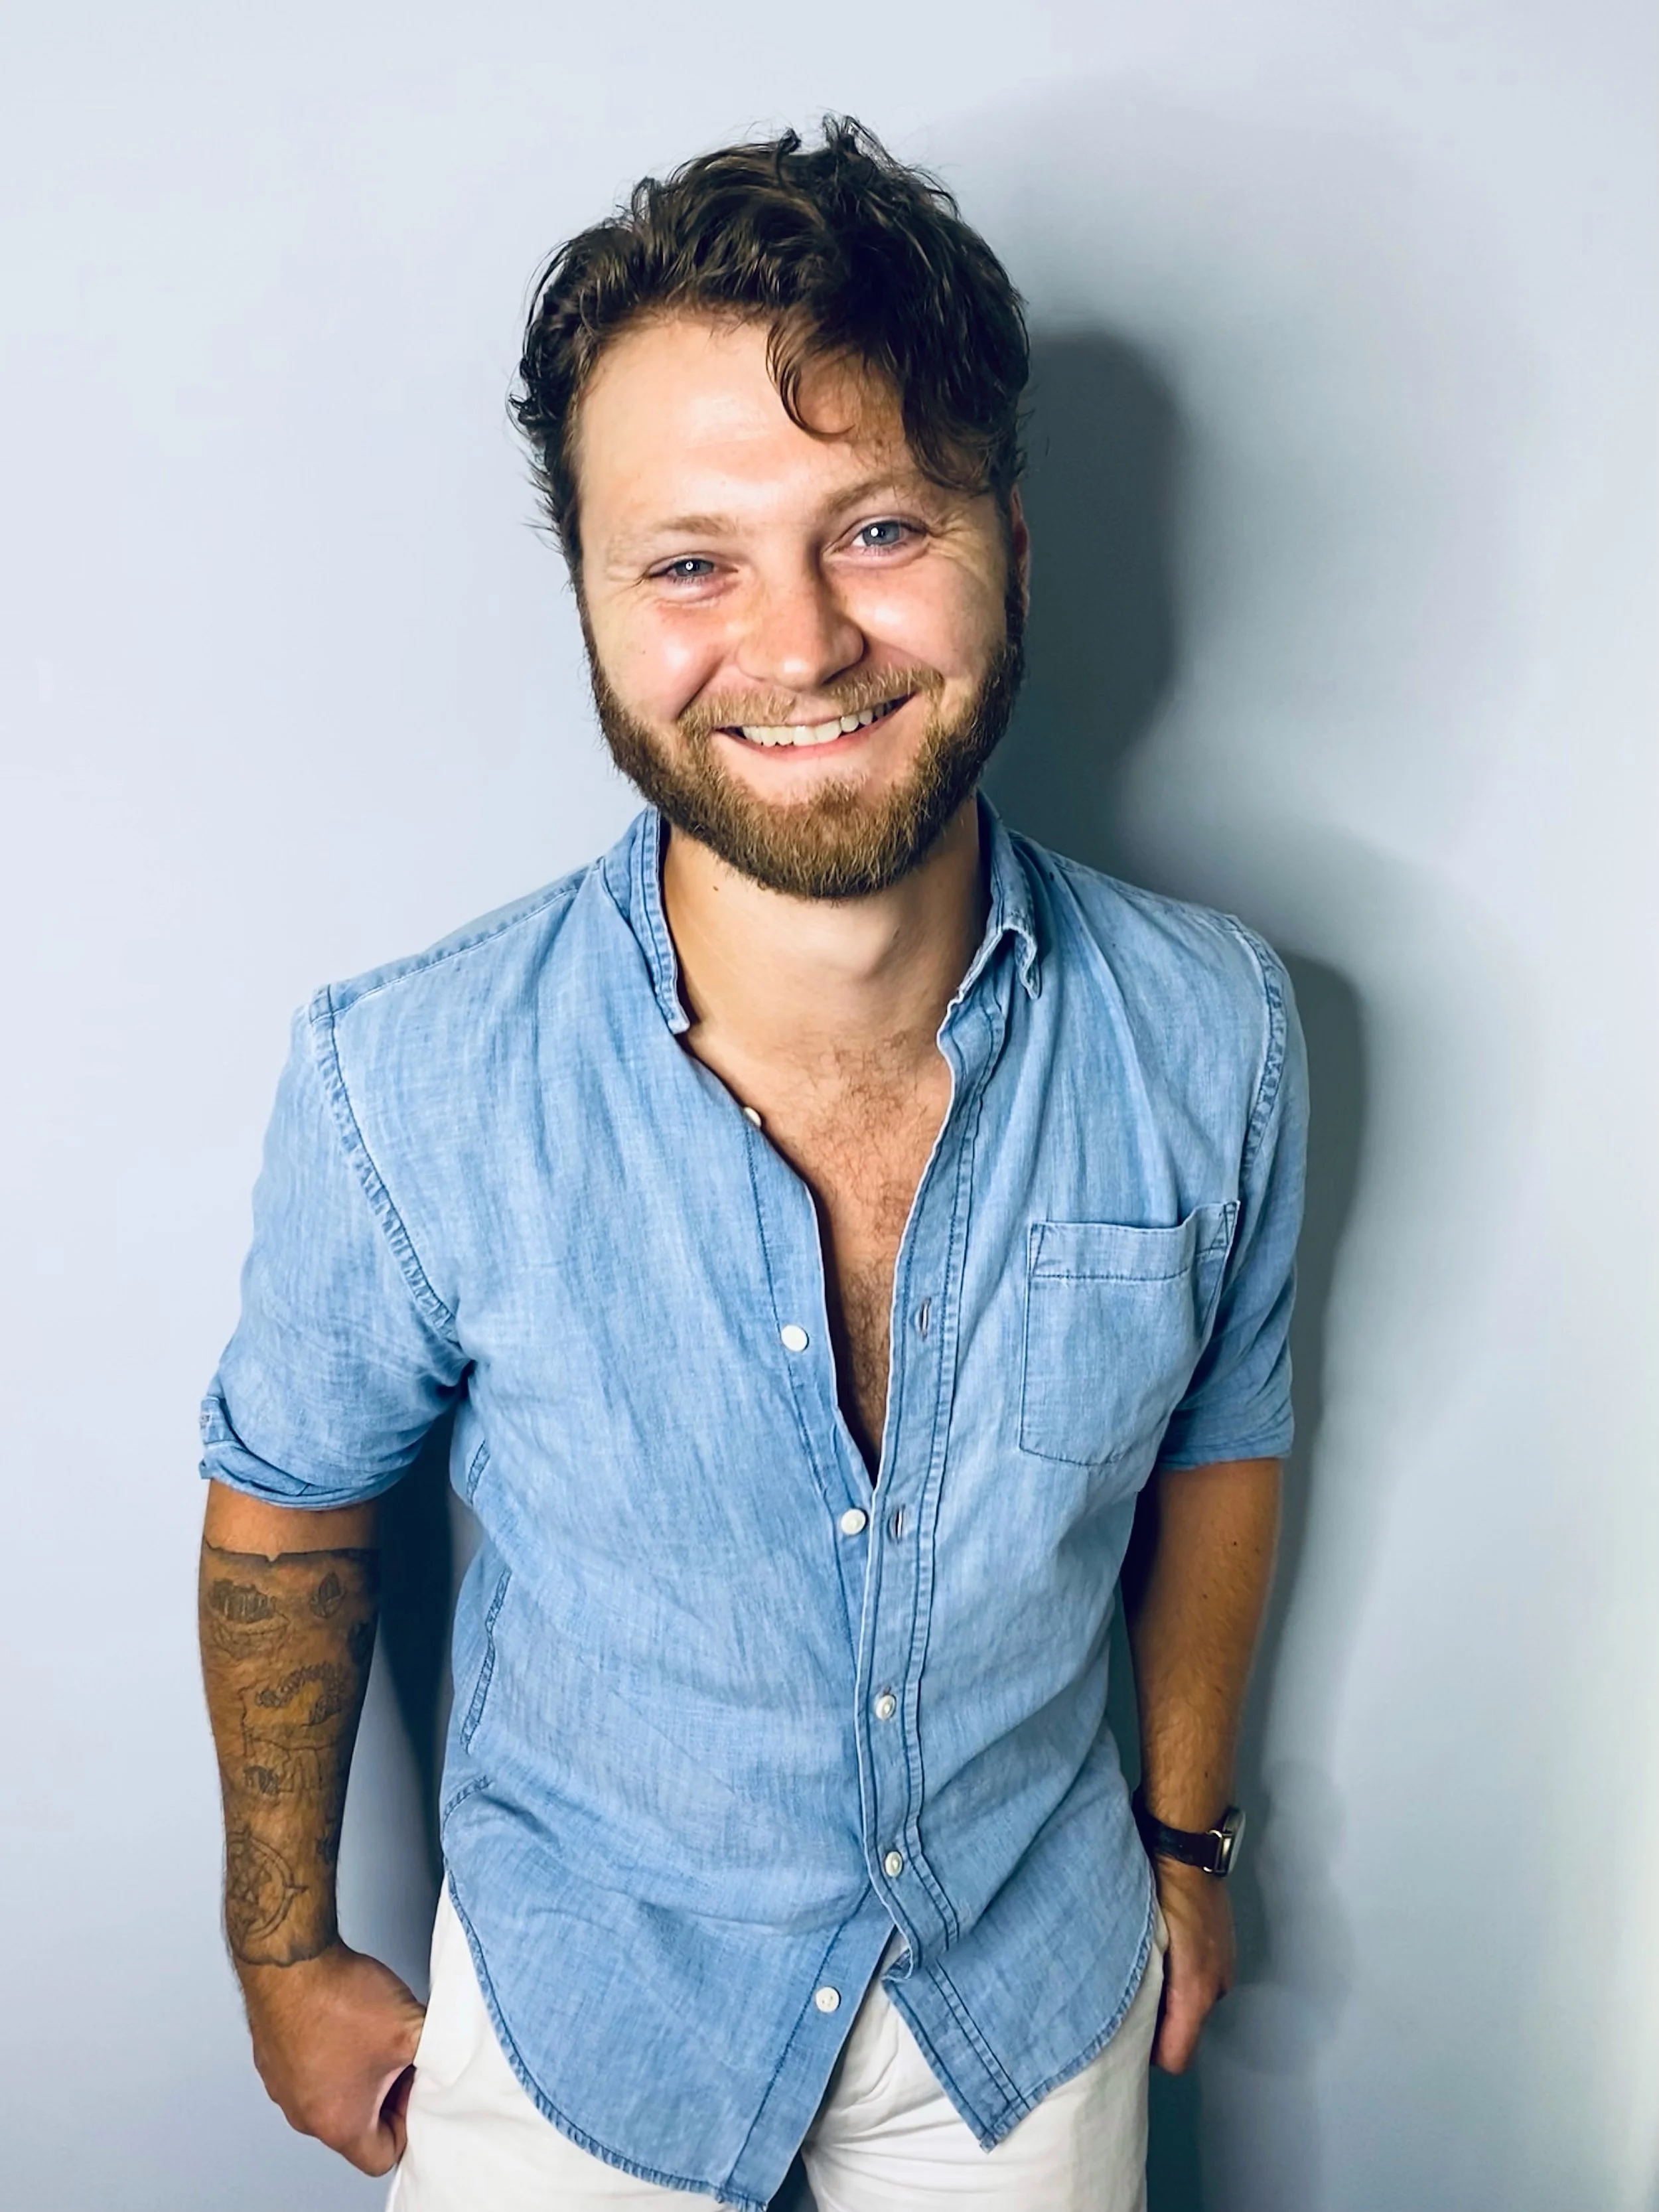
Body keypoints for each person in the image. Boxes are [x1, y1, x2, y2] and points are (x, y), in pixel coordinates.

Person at [198, 117, 1305, 2212]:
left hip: (1025, 1991)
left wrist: (1180, 1839)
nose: (794, 646)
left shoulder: (1216, 1027)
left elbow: (1221, 1441)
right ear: (594, 602)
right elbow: (286, 1519)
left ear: (1010, 541)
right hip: (577, 2013)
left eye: (875, 524)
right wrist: (280, 1949)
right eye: (690, 558)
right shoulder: (404, 1076)